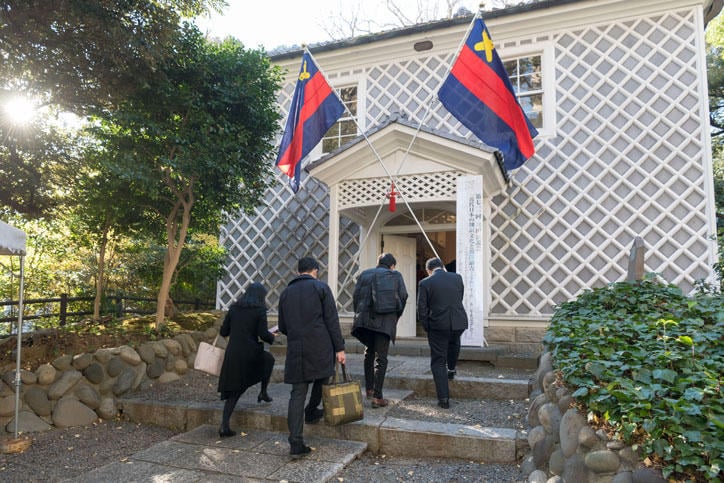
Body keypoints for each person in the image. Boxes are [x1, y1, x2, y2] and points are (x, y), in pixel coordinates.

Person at [278, 257, 346, 457]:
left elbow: (282, 326)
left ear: (298, 271)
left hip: (296, 348)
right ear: (315, 270)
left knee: (297, 393)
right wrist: (340, 348)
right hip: (320, 345)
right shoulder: (321, 288)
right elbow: (332, 320)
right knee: (323, 377)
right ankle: (312, 410)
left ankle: (295, 442)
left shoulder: (286, 292)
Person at [217, 282, 276, 437]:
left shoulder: (234, 308)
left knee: (235, 390)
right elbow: (263, 334)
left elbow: (224, 331)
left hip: (233, 353)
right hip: (250, 353)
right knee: (269, 360)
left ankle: (224, 425)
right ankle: (263, 392)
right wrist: (272, 337)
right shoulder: (260, 310)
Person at [351, 253, 408, 408]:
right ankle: (378, 397)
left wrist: (359, 314)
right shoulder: (395, 275)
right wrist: (395, 316)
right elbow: (403, 296)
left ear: (378, 263)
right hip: (384, 322)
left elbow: (355, 296)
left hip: (365, 321)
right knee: (381, 358)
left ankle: (369, 389)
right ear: (392, 266)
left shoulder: (365, 274)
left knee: (368, 352)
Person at [417, 257, 468, 409]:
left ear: (428, 270)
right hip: (458, 321)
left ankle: (444, 399)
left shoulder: (425, 283)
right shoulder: (457, 278)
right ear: (442, 266)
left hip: (438, 324)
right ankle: (451, 369)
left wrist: (427, 327)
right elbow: (460, 297)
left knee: (438, 360)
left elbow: (421, 309)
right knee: (454, 342)